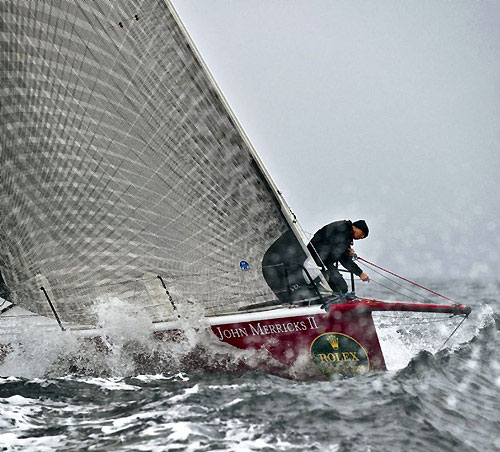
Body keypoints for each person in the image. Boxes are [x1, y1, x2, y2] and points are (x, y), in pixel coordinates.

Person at [307, 219, 370, 296]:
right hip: (316, 259)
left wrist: (348, 252)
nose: (362, 237)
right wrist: (360, 273)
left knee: (341, 287)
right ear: (355, 227)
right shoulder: (343, 230)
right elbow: (343, 258)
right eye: (362, 233)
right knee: (341, 287)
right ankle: (335, 299)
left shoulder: (346, 232)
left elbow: (339, 251)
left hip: (323, 259)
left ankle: (336, 297)